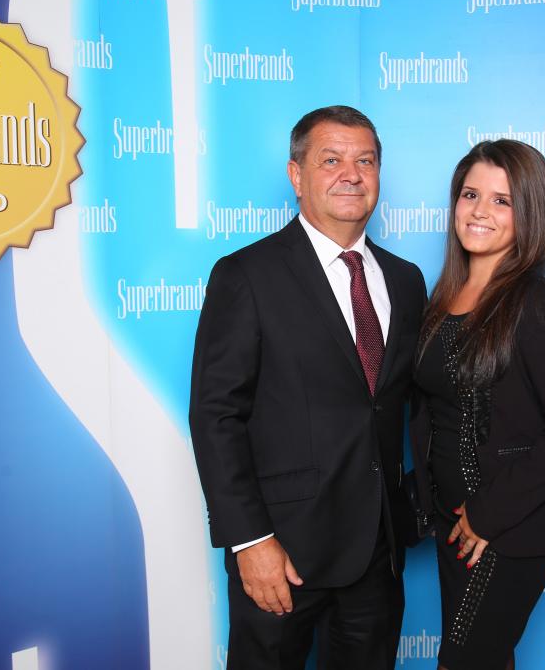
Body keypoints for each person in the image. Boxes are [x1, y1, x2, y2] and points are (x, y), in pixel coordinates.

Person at [189, 105, 426, 669]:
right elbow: (215, 415)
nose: (351, 175)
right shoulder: (246, 275)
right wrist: (250, 541)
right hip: (282, 550)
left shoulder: (406, 280)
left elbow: (406, 407)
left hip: (378, 551)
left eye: (365, 161)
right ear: (297, 176)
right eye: (331, 160)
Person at [409, 140, 545, 670]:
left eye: (502, 200)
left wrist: (488, 515)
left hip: (509, 530)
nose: (480, 211)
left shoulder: (540, 306)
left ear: (529, 212)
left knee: (465, 662)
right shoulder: (441, 299)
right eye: (471, 194)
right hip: (452, 525)